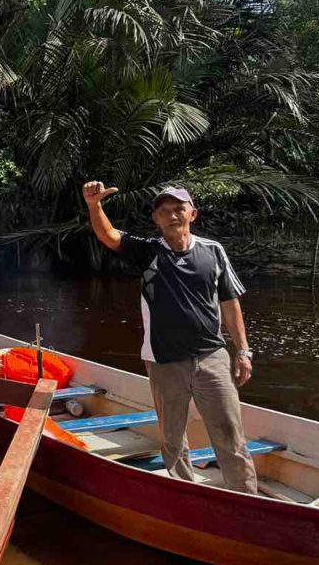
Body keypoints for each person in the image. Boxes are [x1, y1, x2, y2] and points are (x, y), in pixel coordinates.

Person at [83, 181, 258, 494]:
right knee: (173, 437)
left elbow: (230, 303)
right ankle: (184, 492)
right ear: (156, 219)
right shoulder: (149, 252)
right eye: (164, 211)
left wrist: (243, 351)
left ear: (193, 213)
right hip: (164, 361)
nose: (172, 215)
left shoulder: (213, 252)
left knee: (230, 432)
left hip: (211, 358)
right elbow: (108, 237)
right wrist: (94, 205)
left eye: (179, 209)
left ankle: (246, 497)